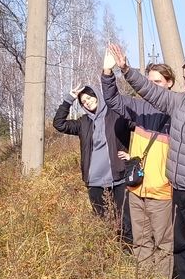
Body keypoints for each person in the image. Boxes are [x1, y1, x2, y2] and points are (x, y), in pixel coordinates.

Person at [109, 45, 185, 279]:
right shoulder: (178, 102)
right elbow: (148, 90)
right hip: (177, 187)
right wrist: (125, 69)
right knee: (180, 245)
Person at [102, 59, 174, 279]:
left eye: (158, 82)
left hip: (161, 192)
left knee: (163, 244)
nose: (152, 87)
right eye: (149, 82)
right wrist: (107, 71)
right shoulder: (139, 107)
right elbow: (112, 99)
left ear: (170, 83)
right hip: (136, 188)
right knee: (141, 241)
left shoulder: (178, 111)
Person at [53, 85, 133, 242]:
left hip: (118, 176)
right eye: (83, 102)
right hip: (94, 179)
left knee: (125, 217)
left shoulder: (116, 115)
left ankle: (127, 250)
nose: (87, 103)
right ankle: (106, 252)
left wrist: (133, 155)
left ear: (97, 96)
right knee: (101, 219)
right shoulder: (83, 122)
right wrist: (69, 99)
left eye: (89, 98)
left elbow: (138, 128)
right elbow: (59, 124)